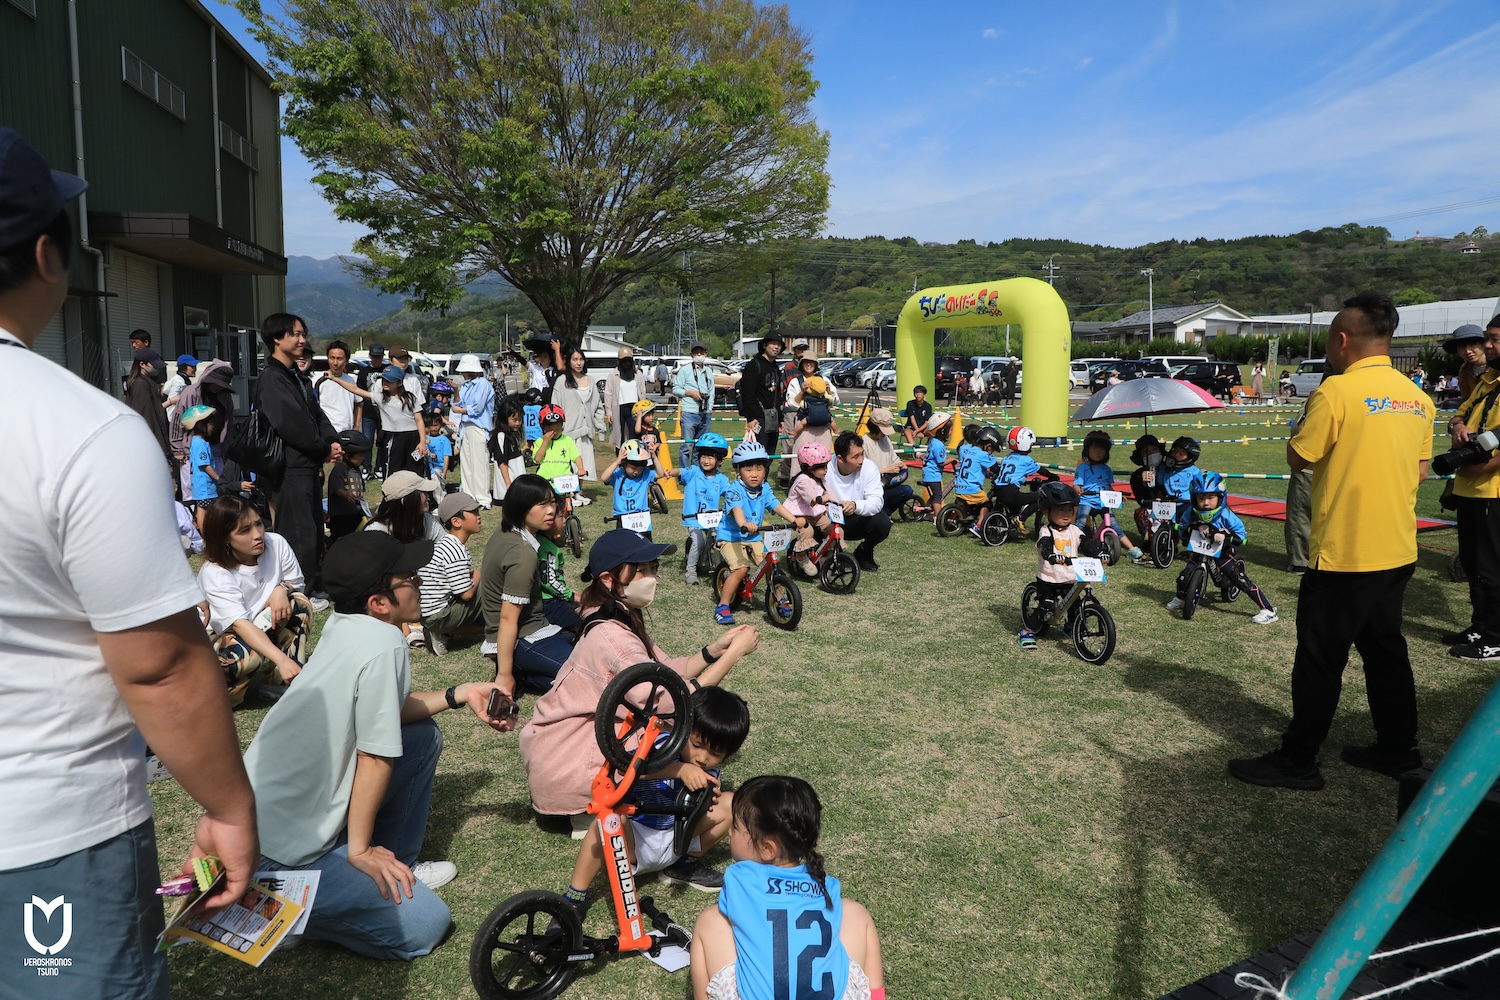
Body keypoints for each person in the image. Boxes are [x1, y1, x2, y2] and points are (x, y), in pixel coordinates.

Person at [0, 128, 256, 999]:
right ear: (47, 256)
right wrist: (228, 806)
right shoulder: (82, 430)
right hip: (46, 833)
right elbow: (161, 666)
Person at [241, 531, 513, 960]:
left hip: (255, 825)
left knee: (421, 737)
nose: (420, 583)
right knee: (425, 924)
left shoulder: (345, 624)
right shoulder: (384, 643)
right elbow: (374, 755)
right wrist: (361, 850)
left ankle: (395, 861)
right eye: (410, 578)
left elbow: (384, 712)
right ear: (379, 602)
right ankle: (275, 905)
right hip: (275, 858)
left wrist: (457, 693)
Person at [1229, 292, 1433, 790]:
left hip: (1344, 551)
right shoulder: (1418, 398)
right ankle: (1398, 748)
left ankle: (1298, 758)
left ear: (1342, 339)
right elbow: (1422, 471)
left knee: (1320, 658)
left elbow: (1299, 457)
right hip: (1397, 548)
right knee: (1385, 651)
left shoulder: (1336, 392)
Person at [519, 529, 758, 827]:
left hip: (560, 754)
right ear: (609, 579)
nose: (651, 578)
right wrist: (733, 656)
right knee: (665, 729)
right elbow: (673, 702)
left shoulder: (612, 613)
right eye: (641, 571)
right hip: (572, 768)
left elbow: (665, 670)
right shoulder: (613, 638)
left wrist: (713, 651)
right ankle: (586, 815)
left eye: (652, 569)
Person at [690, 775, 886, 1000]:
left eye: (735, 827)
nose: (729, 832)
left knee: (710, 921)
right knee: (857, 914)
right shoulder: (826, 885)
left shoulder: (739, 878)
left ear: (767, 848)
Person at [561, 685, 751, 915]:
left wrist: (706, 803)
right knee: (607, 822)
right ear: (683, 729)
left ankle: (680, 866)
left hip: (676, 840)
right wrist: (678, 770)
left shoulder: (711, 773)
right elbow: (626, 769)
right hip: (637, 840)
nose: (702, 758)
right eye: (697, 745)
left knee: (731, 803)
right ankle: (575, 897)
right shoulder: (662, 745)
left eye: (715, 754)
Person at [254, 313, 340, 593]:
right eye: (296, 334)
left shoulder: (294, 377)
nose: (302, 340)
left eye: (303, 334)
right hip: (289, 467)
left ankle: (310, 582)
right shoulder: (272, 379)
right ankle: (298, 590)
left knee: (312, 527)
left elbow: (316, 415)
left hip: (306, 465)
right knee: (298, 532)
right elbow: (292, 426)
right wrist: (323, 448)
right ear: (277, 339)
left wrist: (331, 440)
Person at [197, 495, 310, 704]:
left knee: (299, 604)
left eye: (258, 523)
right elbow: (240, 625)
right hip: (218, 639)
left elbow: (296, 582)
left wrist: (281, 589)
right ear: (224, 538)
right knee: (249, 653)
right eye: (245, 530)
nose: (258, 534)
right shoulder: (215, 572)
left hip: (258, 624)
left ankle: (282, 682)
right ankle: (224, 697)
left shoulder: (276, 543)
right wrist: (281, 659)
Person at [479, 474, 578, 696]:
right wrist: (504, 675)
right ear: (521, 507)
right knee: (584, 674)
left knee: (581, 641)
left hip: (527, 630)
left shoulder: (505, 533)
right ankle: (516, 670)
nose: (551, 510)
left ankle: (524, 674)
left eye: (552, 502)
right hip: (522, 638)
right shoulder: (522, 553)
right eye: (542, 504)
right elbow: (508, 618)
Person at [1442, 314, 1500, 660]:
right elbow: (1459, 413)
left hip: (1492, 490)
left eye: (1493, 339)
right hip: (1469, 489)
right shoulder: (1486, 380)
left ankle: (1495, 636)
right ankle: (1481, 625)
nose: (1486, 346)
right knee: (1474, 564)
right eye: (1486, 339)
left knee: (1492, 567)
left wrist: (1477, 468)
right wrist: (1458, 427)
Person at [1165, 472, 1278, 623]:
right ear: (1193, 498)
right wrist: (1197, 526)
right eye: (1201, 498)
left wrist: (1225, 534)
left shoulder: (1226, 515)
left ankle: (1268, 610)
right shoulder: (1191, 512)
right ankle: (1181, 598)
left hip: (1223, 552)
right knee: (1184, 576)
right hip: (1200, 550)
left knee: (1239, 579)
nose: (1205, 503)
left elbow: (1241, 534)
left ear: (1220, 497)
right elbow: (1183, 529)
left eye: (1210, 498)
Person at [714, 440, 799, 625]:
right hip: (731, 537)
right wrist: (744, 523)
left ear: (765, 470)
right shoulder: (734, 490)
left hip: (753, 536)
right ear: (738, 471)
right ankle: (722, 606)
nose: (754, 474)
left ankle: (779, 599)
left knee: (771, 567)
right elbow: (737, 510)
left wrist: (794, 520)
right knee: (741, 568)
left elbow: (775, 505)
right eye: (748, 469)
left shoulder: (764, 488)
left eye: (759, 469)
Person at [1018, 482, 1103, 650]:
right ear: (1047, 511)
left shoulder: (1075, 530)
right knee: (1046, 607)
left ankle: (1071, 627)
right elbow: (1045, 545)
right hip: (1049, 578)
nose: (1066, 514)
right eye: (1061, 509)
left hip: (1069, 577)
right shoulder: (1046, 531)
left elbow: (1086, 543)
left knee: (1075, 605)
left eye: (1070, 510)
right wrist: (1050, 555)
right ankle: (1027, 631)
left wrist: (1100, 552)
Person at [418, 492, 485, 656]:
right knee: (490, 582)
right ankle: (444, 631)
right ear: (456, 521)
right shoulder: (455, 549)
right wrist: (478, 574)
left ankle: (445, 632)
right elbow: (467, 594)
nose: (479, 516)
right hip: (439, 616)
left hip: (429, 614)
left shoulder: (444, 544)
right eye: (473, 512)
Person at [825, 431, 893, 573]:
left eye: (862, 454)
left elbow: (876, 501)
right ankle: (825, 552)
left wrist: (855, 505)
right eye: (855, 456)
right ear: (840, 458)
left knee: (882, 522)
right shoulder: (825, 467)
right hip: (828, 519)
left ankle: (864, 551)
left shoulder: (870, 468)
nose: (861, 460)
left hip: (855, 518)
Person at [1074, 430, 1144, 563]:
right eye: (1095, 448)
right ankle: (1069, 543)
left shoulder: (1106, 469)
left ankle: (1132, 549)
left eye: (1102, 449)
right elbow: (1076, 484)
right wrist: (1079, 491)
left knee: (1114, 525)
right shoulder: (1083, 467)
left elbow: (1108, 486)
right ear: (1087, 450)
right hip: (1088, 500)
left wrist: (1117, 494)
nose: (1098, 452)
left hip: (1104, 500)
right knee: (1080, 522)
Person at [682, 432, 733, 585]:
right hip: (693, 518)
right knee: (698, 541)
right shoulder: (694, 472)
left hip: (711, 519)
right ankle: (690, 571)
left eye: (711, 457)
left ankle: (721, 569)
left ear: (720, 460)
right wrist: (670, 472)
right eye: (703, 456)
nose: (706, 460)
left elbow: (731, 496)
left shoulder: (722, 479)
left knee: (720, 540)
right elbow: (681, 472)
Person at [446, 353, 495, 508]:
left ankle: (483, 499)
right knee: (466, 463)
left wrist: (460, 410)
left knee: (479, 464)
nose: (462, 373)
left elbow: (477, 407)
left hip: (479, 427)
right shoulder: (465, 386)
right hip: (465, 427)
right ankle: (469, 496)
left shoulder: (483, 384)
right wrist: (455, 390)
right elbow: (457, 402)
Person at [552, 343, 605, 482]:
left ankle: (579, 490)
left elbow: (598, 406)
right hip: (568, 431)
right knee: (568, 465)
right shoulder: (562, 381)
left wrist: (601, 428)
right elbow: (555, 406)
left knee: (583, 465)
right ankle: (570, 491)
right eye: (575, 359)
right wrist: (556, 427)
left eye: (581, 359)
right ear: (568, 361)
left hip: (586, 431)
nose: (578, 363)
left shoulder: (590, 380)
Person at [783, 440, 835, 579]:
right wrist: (818, 499)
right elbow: (809, 495)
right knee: (807, 531)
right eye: (822, 467)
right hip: (799, 514)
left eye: (826, 466)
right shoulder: (803, 480)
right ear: (809, 468)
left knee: (832, 528)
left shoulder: (821, 479)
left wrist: (838, 503)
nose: (825, 470)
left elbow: (829, 493)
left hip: (815, 513)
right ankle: (801, 557)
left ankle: (828, 557)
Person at [125, 347, 175, 477]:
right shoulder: (140, 384)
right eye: (154, 365)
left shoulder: (146, 382)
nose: (157, 369)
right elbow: (148, 416)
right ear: (142, 364)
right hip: (149, 445)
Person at [375, 362, 426, 479]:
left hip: (412, 436)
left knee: (415, 470)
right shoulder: (380, 397)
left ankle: (416, 491)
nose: (385, 383)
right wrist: (335, 378)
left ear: (399, 383)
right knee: (393, 470)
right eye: (384, 380)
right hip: (392, 436)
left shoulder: (410, 398)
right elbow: (356, 390)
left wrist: (422, 441)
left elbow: (419, 420)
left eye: (390, 381)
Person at [860, 407, 915, 515]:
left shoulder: (886, 440)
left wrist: (900, 464)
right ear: (875, 427)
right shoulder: (863, 442)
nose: (884, 434)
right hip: (870, 491)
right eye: (882, 431)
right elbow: (862, 472)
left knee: (907, 490)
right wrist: (886, 470)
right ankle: (881, 513)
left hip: (887, 485)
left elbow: (894, 458)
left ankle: (885, 512)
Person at [738, 334, 785, 456]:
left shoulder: (775, 367)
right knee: (757, 454)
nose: (776, 347)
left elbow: (777, 395)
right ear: (764, 345)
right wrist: (750, 418)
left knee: (769, 454)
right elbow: (747, 393)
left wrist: (780, 418)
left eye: (779, 345)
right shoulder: (754, 365)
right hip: (758, 419)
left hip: (773, 418)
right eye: (773, 344)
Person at [674, 341, 717, 469]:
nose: (699, 355)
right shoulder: (685, 370)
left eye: (701, 352)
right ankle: (684, 473)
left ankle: (696, 471)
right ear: (691, 354)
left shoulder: (708, 371)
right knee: (686, 446)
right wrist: (691, 393)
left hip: (705, 413)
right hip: (689, 412)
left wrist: (709, 408)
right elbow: (676, 389)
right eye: (696, 353)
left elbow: (711, 391)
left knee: (700, 446)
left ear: (706, 353)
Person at [602, 439, 661, 526]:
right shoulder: (618, 474)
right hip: (622, 516)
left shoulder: (645, 474)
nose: (636, 472)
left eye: (640, 469)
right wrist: (617, 462)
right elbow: (604, 478)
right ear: (624, 463)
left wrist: (654, 458)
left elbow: (660, 474)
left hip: (642, 516)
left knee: (645, 536)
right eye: (633, 468)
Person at [328, 428, 372, 543]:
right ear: (347, 455)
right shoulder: (339, 470)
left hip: (356, 513)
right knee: (343, 542)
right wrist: (346, 494)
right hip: (342, 517)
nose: (363, 459)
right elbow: (336, 488)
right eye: (360, 455)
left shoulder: (356, 470)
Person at [182, 404, 221, 530]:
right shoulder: (199, 443)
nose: (213, 427)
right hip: (204, 487)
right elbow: (205, 465)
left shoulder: (198, 441)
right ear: (201, 425)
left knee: (205, 510)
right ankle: (205, 535)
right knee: (204, 511)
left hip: (203, 487)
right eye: (211, 424)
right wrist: (219, 478)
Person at [316, 339, 362, 434]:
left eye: (339, 359)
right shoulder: (318, 380)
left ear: (346, 360)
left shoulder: (350, 380)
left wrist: (357, 426)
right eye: (332, 358)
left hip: (347, 432)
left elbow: (359, 402)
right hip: (326, 433)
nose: (335, 363)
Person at [534, 402, 585, 488]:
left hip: (564, 481)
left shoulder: (568, 441)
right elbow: (537, 459)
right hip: (545, 481)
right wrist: (545, 442)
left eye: (557, 428)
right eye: (550, 429)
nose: (554, 431)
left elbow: (576, 456)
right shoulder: (540, 441)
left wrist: (580, 468)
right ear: (543, 427)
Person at [489, 393, 528, 500]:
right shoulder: (501, 436)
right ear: (504, 418)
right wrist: (508, 483)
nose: (518, 423)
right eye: (514, 420)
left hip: (518, 484)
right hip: (508, 487)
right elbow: (502, 461)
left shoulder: (512, 434)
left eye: (520, 419)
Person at [604, 347, 646, 447]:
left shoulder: (638, 374)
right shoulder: (613, 374)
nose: (626, 363)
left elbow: (642, 391)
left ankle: (634, 454)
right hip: (619, 408)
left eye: (628, 360)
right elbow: (608, 393)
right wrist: (609, 411)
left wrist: (643, 408)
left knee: (634, 435)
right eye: (623, 360)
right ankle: (620, 455)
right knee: (619, 436)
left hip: (634, 409)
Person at [357, 342, 386, 476]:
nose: (377, 359)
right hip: (368, 412)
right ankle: (366, 467)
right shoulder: (364, 371)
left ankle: (380, 467)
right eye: (374, 357)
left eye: (379, 357)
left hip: (384, 412)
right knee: (367, 440)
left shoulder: (386, 370)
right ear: (370, 356)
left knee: (382, 440)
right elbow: (359, 392)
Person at [916, 411, 953, 514]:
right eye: (950, 430)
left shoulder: (933, 441)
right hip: (933, 476)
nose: (951, 432)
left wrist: (948, 457)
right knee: (938, 497)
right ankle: (938, 517)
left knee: (934, 496)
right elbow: (941, 462)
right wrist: (952, 459)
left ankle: (925, 511)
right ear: (942, 431)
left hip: (928, 474)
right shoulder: (939, 445)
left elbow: (936, 457)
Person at [1446, 323, 1489, 401]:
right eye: (1462, 347)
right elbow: (1466, 398)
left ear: (1483, 344)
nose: (1467, 351)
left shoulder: (1496, 367)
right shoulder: (1464, 370)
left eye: (1472, 344)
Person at [422, 409, 453, 497]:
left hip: (439, 467)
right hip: (428, 467)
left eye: (436, 425)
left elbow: (446, 456)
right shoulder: (424, 439)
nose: (433, 428)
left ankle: (441, 500)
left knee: (436, 479)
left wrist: (444, 472)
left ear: (441, 425)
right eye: (431, 426)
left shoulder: (444, 440)